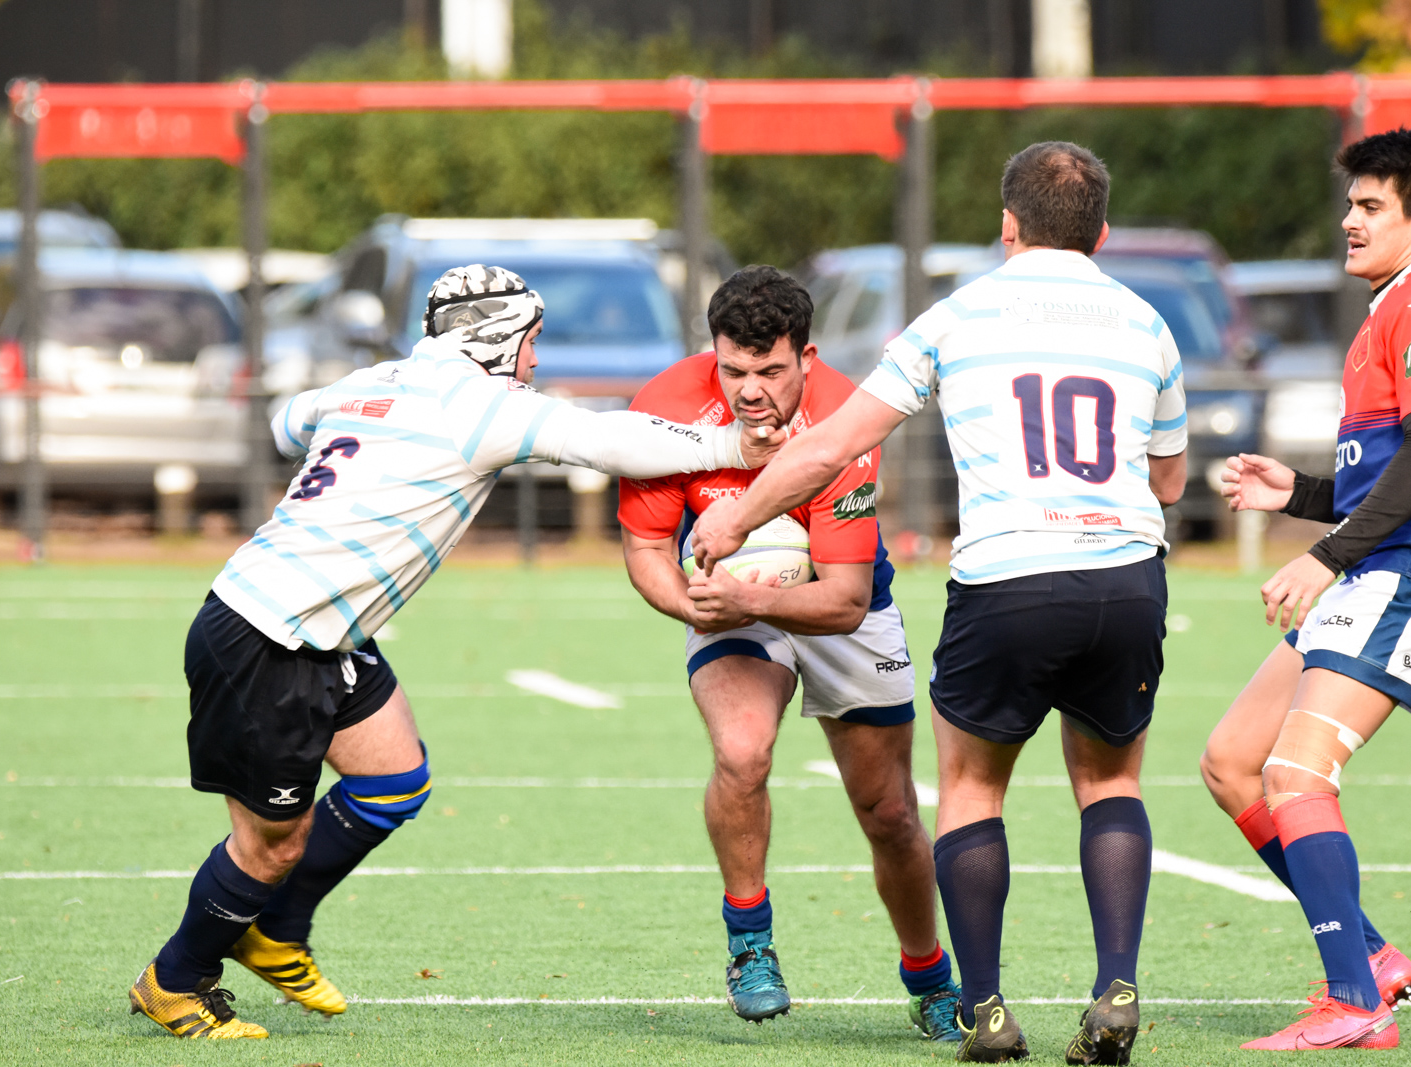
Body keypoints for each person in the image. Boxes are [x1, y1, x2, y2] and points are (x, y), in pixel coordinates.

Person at [127, 265, 784, 1040]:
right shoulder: (480, 406)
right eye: (532, 341)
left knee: (393, 779)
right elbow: (606, 438)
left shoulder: (377, 380)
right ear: (498, 339)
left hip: (320, 629)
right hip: (268, 634)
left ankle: (276, 929)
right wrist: (732, 445)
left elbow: (285, 421)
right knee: (271, 846)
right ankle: (176, 979)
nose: (535, 359)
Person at [688, 143, 1187, 1065]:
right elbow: (1169, 480)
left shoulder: (958, 317)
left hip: (1007, 576)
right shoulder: (1148, 323)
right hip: (1126, 575)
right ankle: (1117, 986)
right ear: (1102, 234)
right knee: (1111, 784)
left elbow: (827, 447)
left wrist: (736, 516)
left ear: (1007, 225)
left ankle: (986, 1009)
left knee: (970, 789)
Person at [1201, 128, 1411, 1051]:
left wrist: (1323, 555)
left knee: (1296, 774)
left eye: (1371, 206)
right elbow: (1398, 466)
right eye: (1352, 202)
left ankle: (1353, 1000)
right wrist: (1298, 493)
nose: (1349, 220)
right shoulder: (1398, 302)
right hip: (1380, 566)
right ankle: (1370, 957)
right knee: (1232, 760)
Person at [617, 266, 961, 1039]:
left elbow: (844, 600)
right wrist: (695, 606)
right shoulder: (668, 403)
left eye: (770, 371)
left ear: (806, 355)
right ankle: (750, 944)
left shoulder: (844, 417)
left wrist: (749, 599)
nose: (750, 390)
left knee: (890, 811)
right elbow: (645, 549)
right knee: (742, 752)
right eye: (733, 369)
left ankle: (930, 976)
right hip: (730, 600)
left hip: (841, 603)